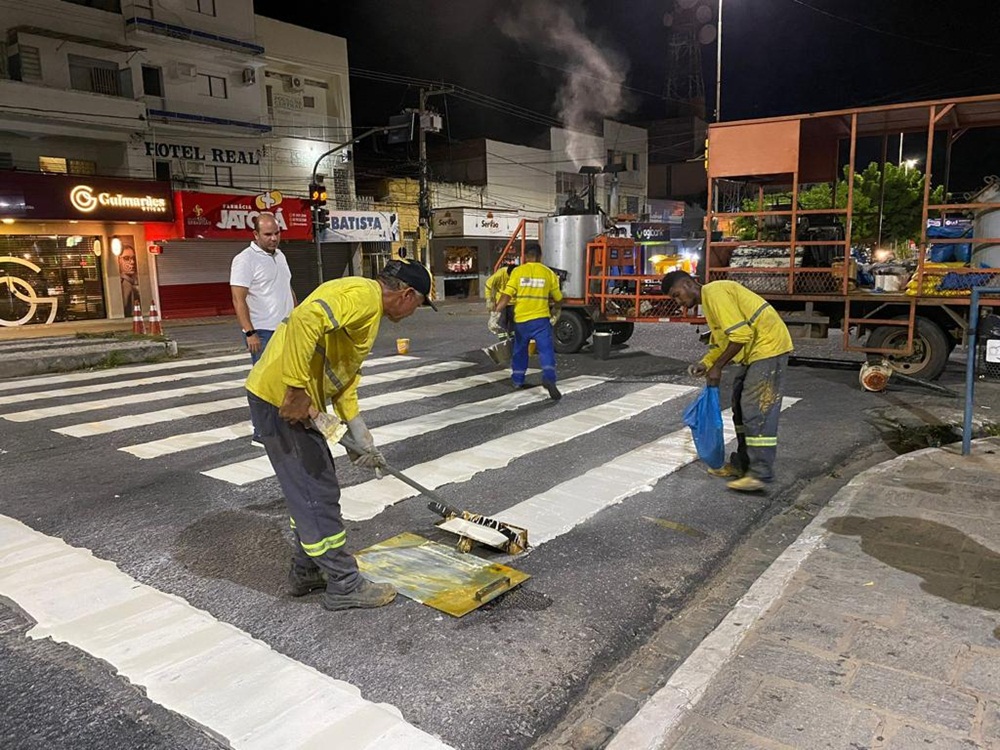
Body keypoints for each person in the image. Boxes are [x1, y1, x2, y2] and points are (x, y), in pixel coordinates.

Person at [245, 259, 437, 611]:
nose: (414, 313)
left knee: (312, 486)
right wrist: (296, 390)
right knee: (316, 491)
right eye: (419, 304)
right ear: (407, 294)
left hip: (291, 399)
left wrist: (358, 431)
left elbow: (341, 375)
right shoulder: (364, 296)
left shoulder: (368, 308)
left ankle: (306, 570)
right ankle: (344, 583)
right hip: (280, 398)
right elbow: (305, 319)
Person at [661, 271, 793, 493]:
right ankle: (743, 465)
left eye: (677, 295)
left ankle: (760, 473)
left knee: (756, 411)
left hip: (769, 348)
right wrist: (707, 363)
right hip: (755, 352)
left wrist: (718, 367)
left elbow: (741, 336)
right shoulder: (710, 303)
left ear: (688, 283)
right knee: (740, 409)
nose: (678, 301)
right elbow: (723, 341)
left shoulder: (715, 292)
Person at [230, 213, 296, 445]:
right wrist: (249, 332)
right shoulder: (244, 260)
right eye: (268, 234)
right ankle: (262, 432)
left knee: (288, 380)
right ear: (255, 235)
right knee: (263, 384)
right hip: (263, 332)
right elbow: (238, 299)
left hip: (287, 329)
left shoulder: (280, 256)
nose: (274, 238)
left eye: (277, 233)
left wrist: (297, 317)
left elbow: (287, 289)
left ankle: (283, 426)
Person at [492, 243, 563, 401]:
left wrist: (495, 314)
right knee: (546, 351)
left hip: (522, 321)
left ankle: (518, 380)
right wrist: (556, 311)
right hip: (541, 320)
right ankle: (549, 378)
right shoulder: (548, 273)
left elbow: (506, 295)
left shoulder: (518, 272)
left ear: (525, 256)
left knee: (520, 350)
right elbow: (558, 298)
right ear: (540, 256)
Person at [484, 259, 516, 337]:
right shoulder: (500, 274)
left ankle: (513, 339)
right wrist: (489, 299)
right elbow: (488, 285)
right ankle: (503, 341)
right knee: (502, 322)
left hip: (514, 302)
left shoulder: (517, 275)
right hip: (501, 302)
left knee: (513, 324)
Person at [118, 243, 140, 318]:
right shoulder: (126, 284)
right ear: (118, 261)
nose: (132, 262)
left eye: (133, 258)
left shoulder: (133, 281)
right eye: (126, 258)